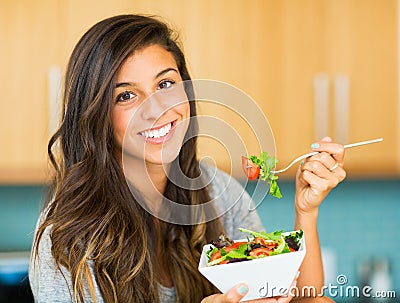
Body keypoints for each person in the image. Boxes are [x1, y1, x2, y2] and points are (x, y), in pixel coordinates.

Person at [29, 14, 346, 303]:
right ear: (98, 116)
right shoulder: (64, 238)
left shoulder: (219, 194)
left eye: (165, 84)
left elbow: (303, 295)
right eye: (126, 95)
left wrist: (306, 212)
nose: (156, 109)